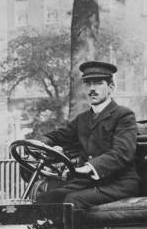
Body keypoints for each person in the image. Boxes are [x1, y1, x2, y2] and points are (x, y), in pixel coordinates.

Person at [34, 61, 139, 208]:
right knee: (46, 198)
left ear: (111, 87)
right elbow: (59, 135)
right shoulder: (82, 119)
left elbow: (122, 153)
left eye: (98, 83)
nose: (92, 89)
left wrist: (89, 167)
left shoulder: (123, 115)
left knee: (73, 201)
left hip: (119, 184)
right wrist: (41, 143)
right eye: (88, 84)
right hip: (88, 183)